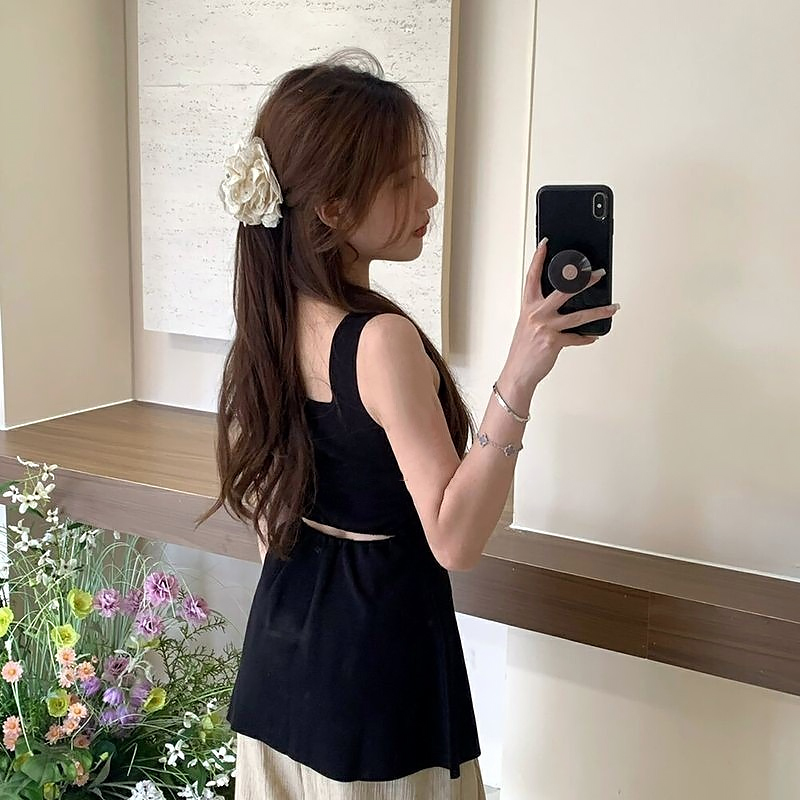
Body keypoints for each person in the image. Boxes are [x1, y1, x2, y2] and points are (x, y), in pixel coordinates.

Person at [198, 48, 619, 800]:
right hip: (376, 691)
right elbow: (455, 540)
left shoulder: (269, 321)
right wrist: (521, 371)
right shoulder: (379, 342)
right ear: (332, 209)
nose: (429, 194)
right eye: (402, 179)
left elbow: (269, 526)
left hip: (280, 678)